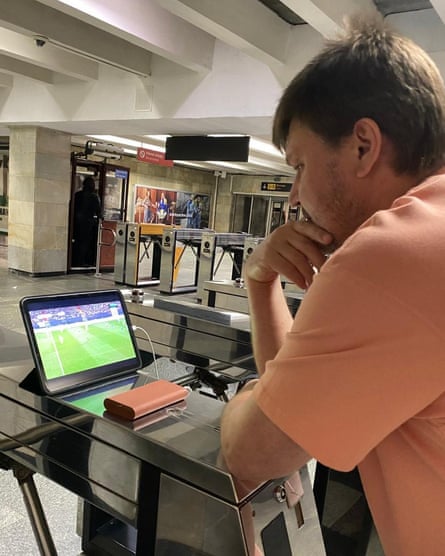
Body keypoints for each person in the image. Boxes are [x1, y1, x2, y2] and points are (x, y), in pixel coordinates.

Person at [220, 13, 445, 556]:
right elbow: (293, 417)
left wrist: (246, 399)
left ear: (363, 145)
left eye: (299, 165)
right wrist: (262, 280)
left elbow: (256, 452)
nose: (294, 196)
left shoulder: (391, 253)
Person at [72, 176, 102, 267]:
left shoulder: (77, 195)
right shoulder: (94, 197)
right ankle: (83, 261)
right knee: (86, 243)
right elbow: (98, 211)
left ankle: (76, 261)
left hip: (76, 222)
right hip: (88, 224)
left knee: (78, 242)